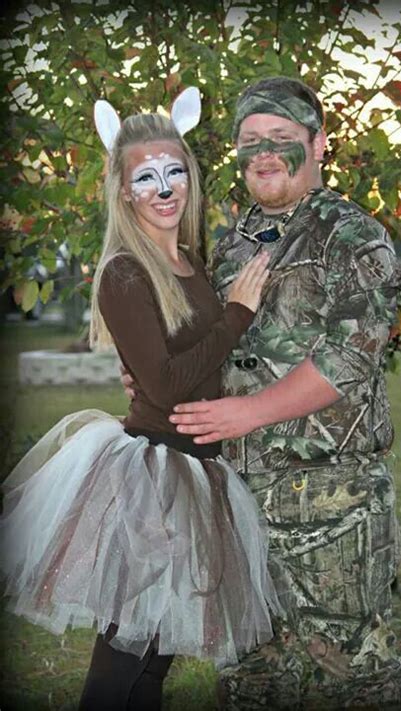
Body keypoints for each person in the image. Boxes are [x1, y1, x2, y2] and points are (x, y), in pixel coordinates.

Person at [0, 96, 284, 711]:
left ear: (191, 175)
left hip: (198, 469)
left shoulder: (187, 258)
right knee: (124, 658)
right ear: (124, 191)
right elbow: (163, 386)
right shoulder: (124, 272)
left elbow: (188, 361)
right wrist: (238, 312)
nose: (164, 189)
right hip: (152, 477)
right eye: (146, 177)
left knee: (155, 660)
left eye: (175, 171)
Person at [143, 76, 401, 708]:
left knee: (352, 677)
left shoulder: (351, 235)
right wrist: (158, 372)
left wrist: (248, 412)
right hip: (236, 496)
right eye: (250, 141)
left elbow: (352, 357)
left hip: (329, 504)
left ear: (319, 144)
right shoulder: (234, 242)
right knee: (252, 675)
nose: (263, 152)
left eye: (282, 138)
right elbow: (215, 345)